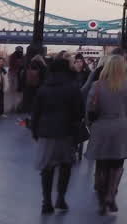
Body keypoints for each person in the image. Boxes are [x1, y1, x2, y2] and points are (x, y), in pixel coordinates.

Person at [30, 57, 85, 214]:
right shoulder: (73, 87)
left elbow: (36, 112)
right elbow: (80, 111)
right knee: (65, 165)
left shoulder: (44, 88)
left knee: (47, 168)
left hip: (46, 133)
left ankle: (46, 201)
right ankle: (61, 198)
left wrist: (35, 131)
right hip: (67, 133)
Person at [84, 55, 127, 214]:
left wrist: (90, 124)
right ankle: (111, 194)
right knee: (117, 165)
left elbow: (89, 109)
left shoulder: (97, 85)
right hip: (120, 127)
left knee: (101, 165)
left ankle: (101, 200)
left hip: (101, 127)